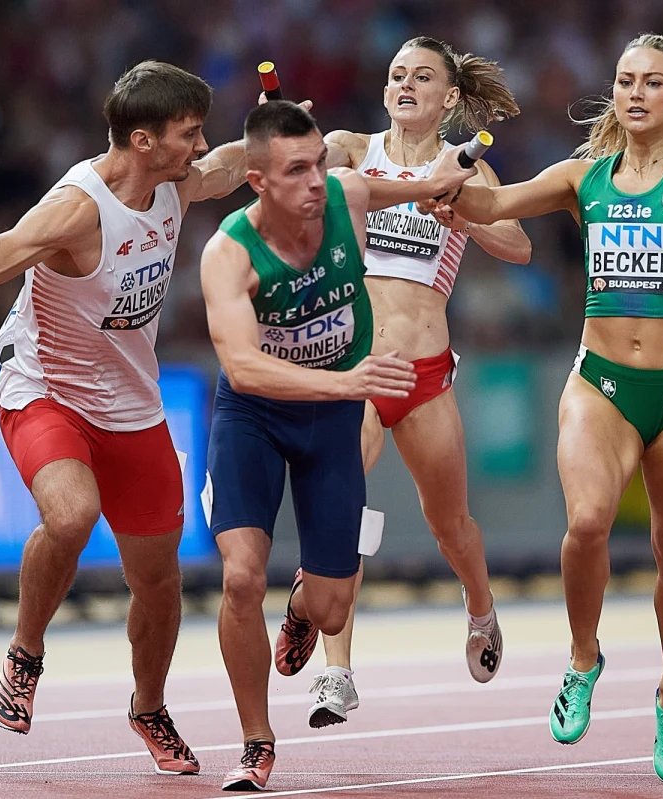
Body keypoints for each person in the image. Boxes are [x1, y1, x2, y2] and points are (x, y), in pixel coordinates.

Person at [0, 60, 266, 777]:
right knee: (72, 514)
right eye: (187, 135)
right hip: (45, 391)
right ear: (142, 141)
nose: (199, 146)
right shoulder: (75, 212)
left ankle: (148, 705)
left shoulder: (175, 182)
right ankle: (26, 652)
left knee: (159, 580)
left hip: (133, 405)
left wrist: (292, 133)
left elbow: (236, 162)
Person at [435, 33, 663, 783]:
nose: (634, 93)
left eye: (652, 83)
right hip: (600, 383)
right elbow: (492, 202)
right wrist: (441, 171)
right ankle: (583, 656)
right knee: (587, 522)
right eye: (625, 80)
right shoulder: (582, 175)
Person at [199, 100, 475, 792]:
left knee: (330, 610)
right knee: (240, 578)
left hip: (329, 422)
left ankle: (300, 610)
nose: (317, 180)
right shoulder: (229, 253)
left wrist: (436, 182)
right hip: (256, 417)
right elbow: (241, 367)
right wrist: (345, 380)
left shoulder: (345, 197)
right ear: (257, 181)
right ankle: (256, 741)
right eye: (296, 170)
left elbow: (389, 188)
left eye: (320, 160)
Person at [269, 35, 533, 730]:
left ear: (450, 98)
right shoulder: (356, 150)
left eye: (422, 76)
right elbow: (282, 169)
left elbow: (520, 244)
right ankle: (337, 672)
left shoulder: (465, 166)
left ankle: (480, 607)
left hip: (423, 373)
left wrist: (464, 210)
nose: (405, 84)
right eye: (396, 75)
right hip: (353, 367)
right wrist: (284, 132)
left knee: (450, 524)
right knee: (339, 513)